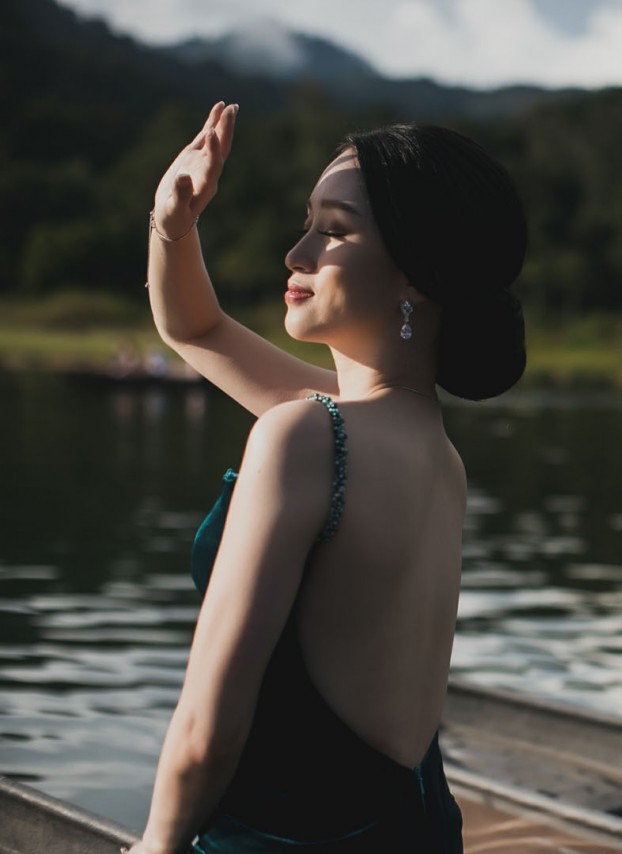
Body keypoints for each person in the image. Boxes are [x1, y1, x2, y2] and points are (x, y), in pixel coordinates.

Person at [125, 101, 527, 853]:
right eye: (306, 224)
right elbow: (196, 329)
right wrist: (172, 223)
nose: (296, 253)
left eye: (334, 231)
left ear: (416, 273)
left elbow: (207, 733)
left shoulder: (310, 435)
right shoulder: (432, 450)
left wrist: (156, 845)